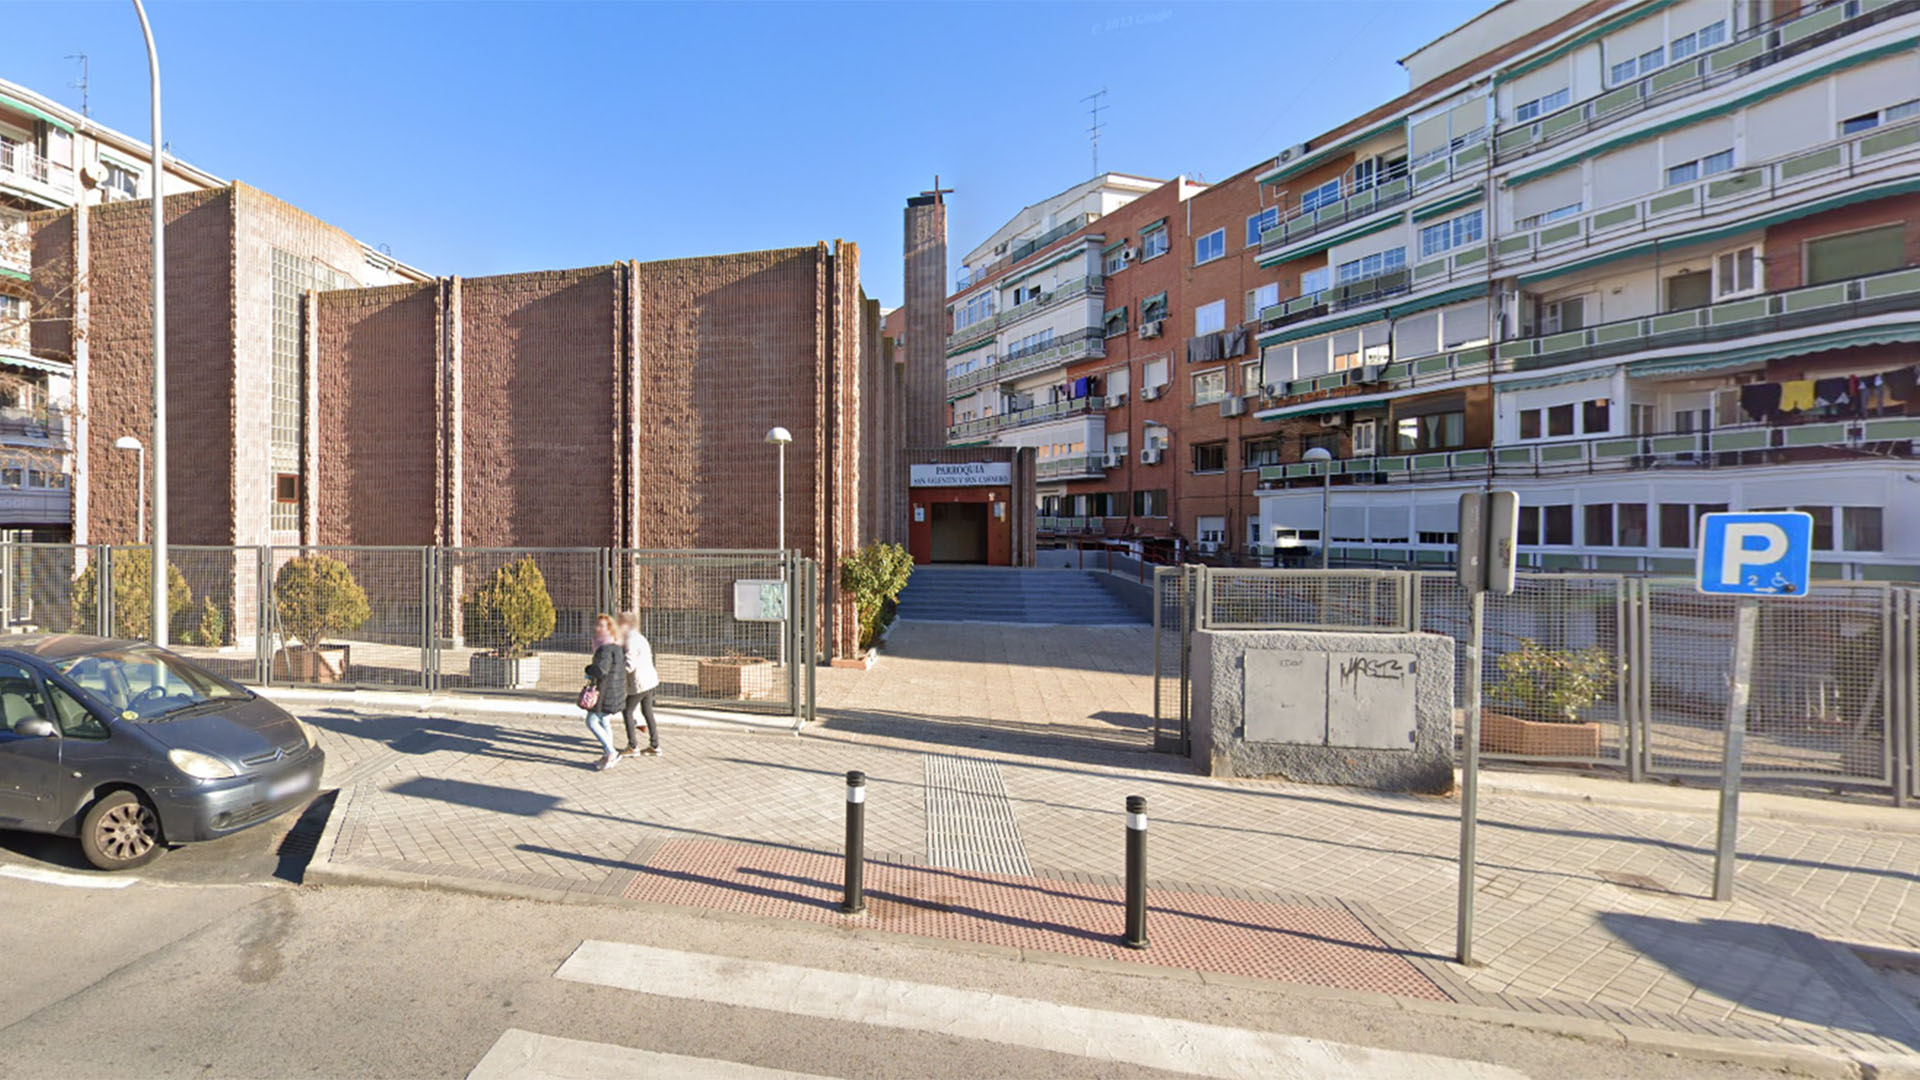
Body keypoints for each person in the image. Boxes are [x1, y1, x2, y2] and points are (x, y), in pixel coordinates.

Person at [582, 613, 628, 771]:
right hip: (614, 691)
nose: (597, 628)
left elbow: (601, 671)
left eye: (602, 626)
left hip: (605, 693)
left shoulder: (605, 648)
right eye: (597, 625)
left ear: (609, 629)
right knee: (604, 721)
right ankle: (608, 754)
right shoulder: (616, 645)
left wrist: (588, 669)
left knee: (591, 721)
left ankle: (611, 752)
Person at [618, 610, 662, 757]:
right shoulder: (640, 637)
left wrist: (616, 669)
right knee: (647, 711)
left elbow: (629, 665)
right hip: (650, 680)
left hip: (640, 683)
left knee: (627, 711)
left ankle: (632, 746)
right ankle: (655, 745)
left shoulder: (630, 640)